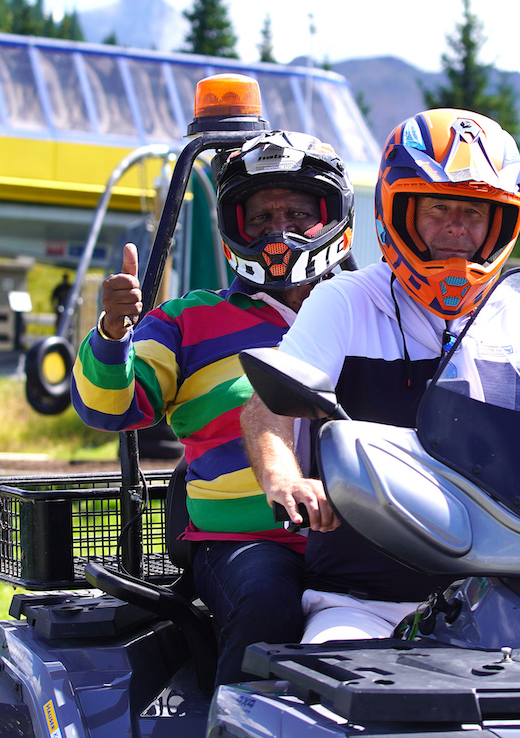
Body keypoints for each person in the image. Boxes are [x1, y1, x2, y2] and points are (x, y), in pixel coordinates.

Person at [70, 127, 354, 686]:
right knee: (268, 606)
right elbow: (110, 407)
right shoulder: (186, 320)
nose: (280, 232)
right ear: (234, 228)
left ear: (332, 217)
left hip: (370, 536)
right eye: (261, 218)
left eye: (298, 215)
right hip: (248, 543)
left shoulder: (370, 307)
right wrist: (111, 332)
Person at [241, 108, 520, 643]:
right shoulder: (346, 301)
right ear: (398, 210)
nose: (455, 228)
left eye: (475, 213)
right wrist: (282, 478)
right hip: (363, 603)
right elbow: (268, 403)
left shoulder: (515, 314)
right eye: (438, 206)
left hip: (499, 598)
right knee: (328, 700)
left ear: (501, 223)